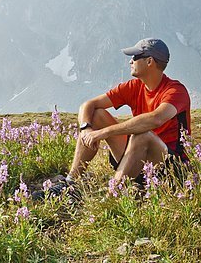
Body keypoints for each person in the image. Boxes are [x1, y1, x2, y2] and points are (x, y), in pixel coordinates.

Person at [47, 38, 191, 197]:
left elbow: (155, 119)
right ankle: (70, 184)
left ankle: (111, 198)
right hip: (138, 161)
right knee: (96, 115)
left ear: (150, 61)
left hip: (172, 170)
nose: (131, 61)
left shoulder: (176, 91)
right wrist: (86, 129)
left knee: (142, 135)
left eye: (135, 57)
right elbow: (88, 105)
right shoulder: (133, 86)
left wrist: (104, 133)